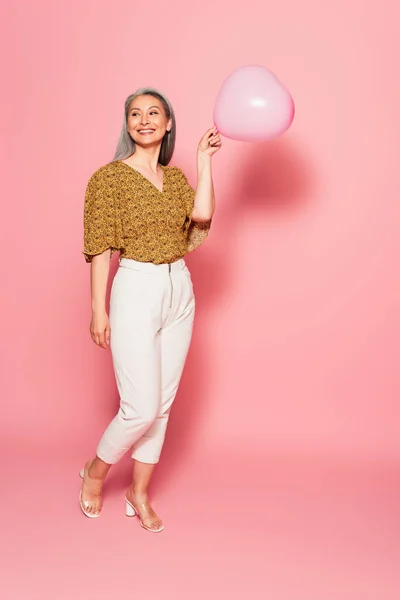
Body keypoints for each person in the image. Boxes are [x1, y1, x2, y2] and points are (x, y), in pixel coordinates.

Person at [79, 87, 221, 532]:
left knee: (161, 404)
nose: (144, 120)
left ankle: (138, 493)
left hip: (179, 286)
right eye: (135, 114)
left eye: (153, 113)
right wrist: (98, 310)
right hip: (136, 287)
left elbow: (200, 216)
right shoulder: (108, 179)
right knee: (138, 407)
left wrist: (203, 161)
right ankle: (95, 472)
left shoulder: (174, 178)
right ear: (127, 124)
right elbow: (101, 247)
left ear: (168, 123)